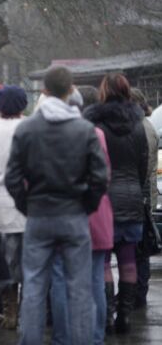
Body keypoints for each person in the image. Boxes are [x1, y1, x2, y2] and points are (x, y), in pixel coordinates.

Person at [6, 67, 108, 345]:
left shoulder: (27, 129)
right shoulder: (84, 130)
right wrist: (85, 205)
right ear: (70, 89)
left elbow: (12, 177)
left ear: (44, 90)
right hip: (74, 214)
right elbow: (100, 177)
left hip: (39, 214)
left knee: (35, 286)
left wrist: (27, 206)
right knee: (79, 288)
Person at [49, 85, 114, 345]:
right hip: (96, 212)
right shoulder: (97, 134)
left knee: (60, 278)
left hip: (62, 213)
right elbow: (103, 175)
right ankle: (94, 337)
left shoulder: (49, 135)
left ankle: (63, 338)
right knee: (96, 277)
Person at [84, 74, 148, 334]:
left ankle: (107, 315)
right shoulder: (139, 125)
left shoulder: (94, 125)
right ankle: (126, 316)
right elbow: (142, 166)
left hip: (105, 200)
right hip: (132, 198)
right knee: (128, 258)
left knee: (103, 262)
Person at [0, 85, 28, 330]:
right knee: (31, 263)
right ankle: (29, 311)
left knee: (5, 264)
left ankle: (9, 311)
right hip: (29, 206)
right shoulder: (31, 128)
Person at [131, 88, 158, 310]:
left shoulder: (141, 128)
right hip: (145, 195)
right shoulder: (147, 126)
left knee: (139, 248)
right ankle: (139, 291)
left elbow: (145, 167)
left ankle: (138, 292)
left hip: (141, 196)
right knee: (141, 248)